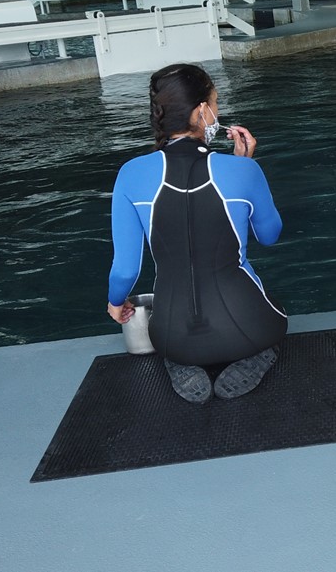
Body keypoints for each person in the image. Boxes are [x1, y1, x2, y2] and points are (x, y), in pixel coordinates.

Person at [106, 63, 287, 404]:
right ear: (202, 111)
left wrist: (116, 305)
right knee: (275, 314)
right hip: (251, 329)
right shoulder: (242, 170)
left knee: (172, 336)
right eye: (215, 104)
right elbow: (270, 235)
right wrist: (246, 166)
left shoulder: (130, 174)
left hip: (169, 337)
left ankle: (182, 364)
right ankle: (256, 358)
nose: (217, 112)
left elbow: (126, 270)